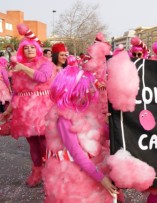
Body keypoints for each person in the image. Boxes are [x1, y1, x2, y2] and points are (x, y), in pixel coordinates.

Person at [43, 65, 120, 202]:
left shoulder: (87, 110)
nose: (92, 89)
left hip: (92, 165)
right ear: (74, 90)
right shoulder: (63, 118)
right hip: (74, 173)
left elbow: (104, 132)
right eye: (87, 87)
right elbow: (76, 152)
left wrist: (120, 125)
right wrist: (101, 178)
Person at [0, 23, 55, 187]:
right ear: (22, 50)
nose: (30, 50)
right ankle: (37, 172)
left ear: (37, 49)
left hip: (43, 109)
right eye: (26, 48)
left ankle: (51, 172)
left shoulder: (46, 63)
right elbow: (17, 90)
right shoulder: (17, 68)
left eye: (33, 47)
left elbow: (42, 78)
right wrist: (9, 111)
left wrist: (22, 67)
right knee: (32, 143)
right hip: (26, 111)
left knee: (46, 142)